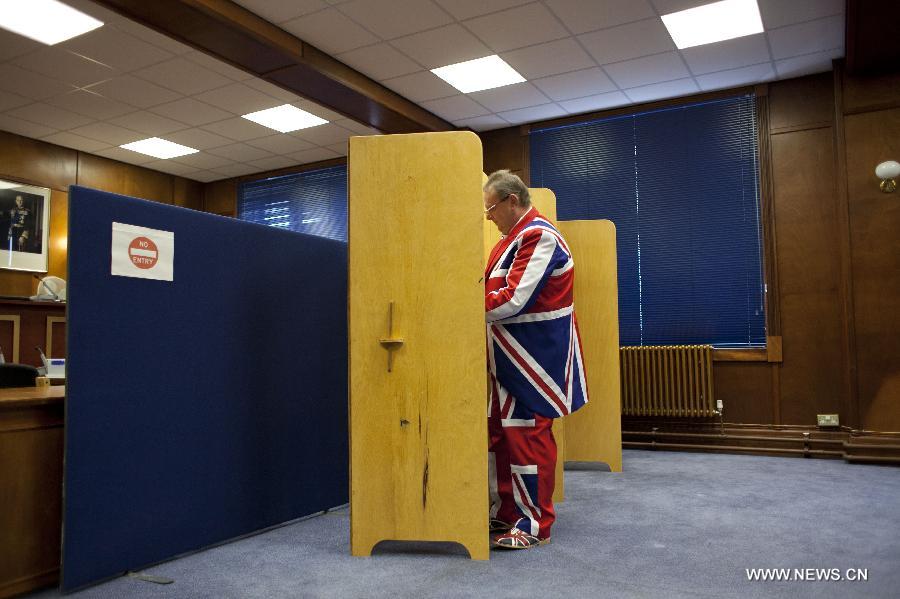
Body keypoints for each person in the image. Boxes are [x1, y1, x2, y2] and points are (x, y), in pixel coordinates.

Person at [483, 170, 589, 550]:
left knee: (528, 436)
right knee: (503, 438)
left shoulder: (540, 235)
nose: (489, 216)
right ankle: (509, 511)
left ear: (513, 200)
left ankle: (534, 524)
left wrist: (461, 305)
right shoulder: (507, 241)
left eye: (492, 208)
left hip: (535, 358)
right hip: (506, 358)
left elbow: (513, 299)